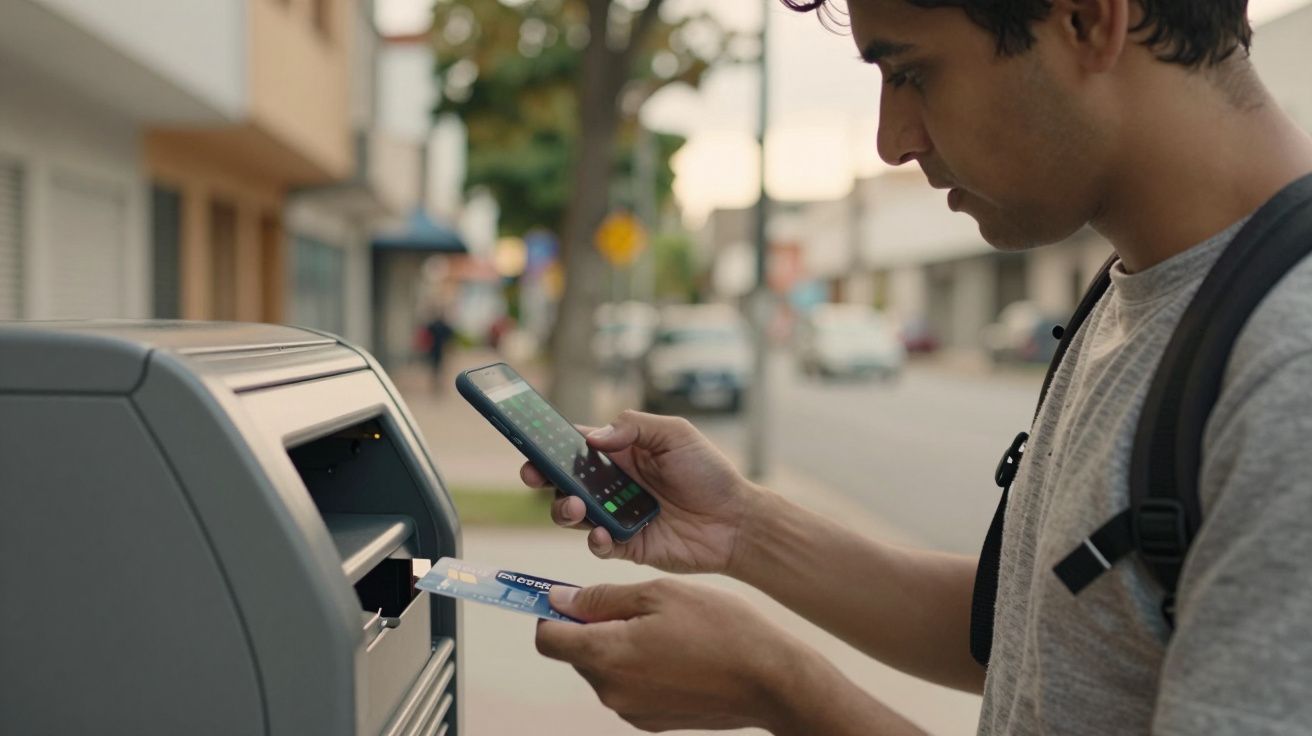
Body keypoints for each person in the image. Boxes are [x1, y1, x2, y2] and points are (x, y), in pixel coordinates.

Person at [523, 1, 1312, 733]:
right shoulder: (1136, 288)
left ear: (1085, 19)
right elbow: (1040, 632)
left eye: (911, 73)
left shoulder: (1290, 371)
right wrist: (744, 529)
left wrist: (781, 689)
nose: (893, 139)